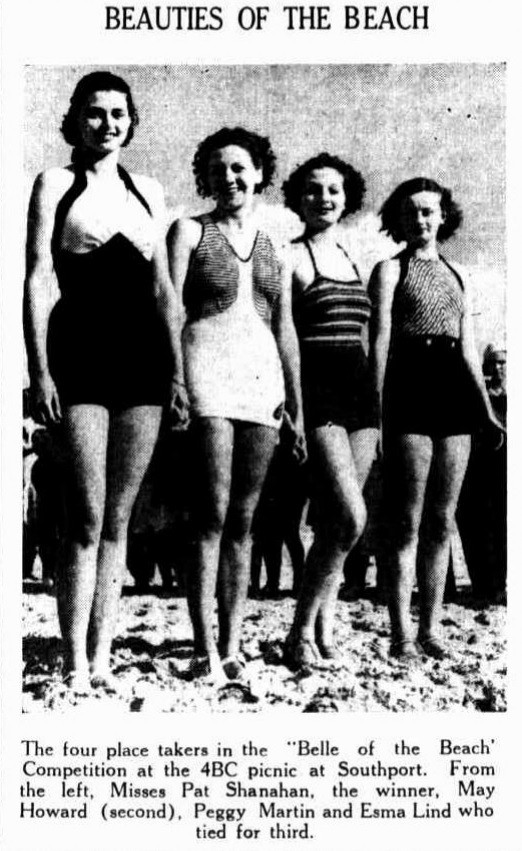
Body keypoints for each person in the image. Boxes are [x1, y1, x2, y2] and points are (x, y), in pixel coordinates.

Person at [24, 71, 187, 693]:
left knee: (120, 517)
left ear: (131, 120)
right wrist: (39, 368)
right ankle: (71, 660)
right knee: (84, 515)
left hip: (143, 358)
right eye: (96, 113)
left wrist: (176, 373)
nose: (108, 123)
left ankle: (102, 655)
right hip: (80, 353)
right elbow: (40, 278)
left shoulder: (148, 190)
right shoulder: (55, 183)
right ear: (76, 119)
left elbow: (164, 290)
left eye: (119, 113)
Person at [168, 126, 304, 682]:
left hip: (261, 381)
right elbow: (172, 312)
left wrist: (296, 403)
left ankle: (232, 642)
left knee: (245, 521)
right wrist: (175, 380)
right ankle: (203, 645)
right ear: (205, 177)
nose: (230, 178)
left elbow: (286, 329)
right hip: (206, 375)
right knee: (211, 513)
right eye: (218, 169)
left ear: (259, 174)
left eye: (240, 168)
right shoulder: (187, 231)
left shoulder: (278, 245)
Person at [370, 177, 504, 660]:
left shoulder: (459, 273)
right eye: (411, 213)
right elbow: (380, 340)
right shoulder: (389, 270)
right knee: (406, 520)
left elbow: (468, 348)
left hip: (453, 391)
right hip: (409, 386)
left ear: (443, 216)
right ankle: (401, 632)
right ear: (398, 220)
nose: (420, 220)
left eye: (428, 211)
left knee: (442, 520)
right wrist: (377, 408)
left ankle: (431, 629)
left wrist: (485, 411)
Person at [282, 153, 379, 669]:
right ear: (297, 198)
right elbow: (288, 341)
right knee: (348, 515)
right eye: (314, 190)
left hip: (361, 396)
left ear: (347, 199)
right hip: (319, 391)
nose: (324, 198)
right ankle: (298, 633)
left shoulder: (354, 255)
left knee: (338, 527)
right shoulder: (291, 257)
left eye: (334, 191)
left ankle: (323, 628)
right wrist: (293, 407)